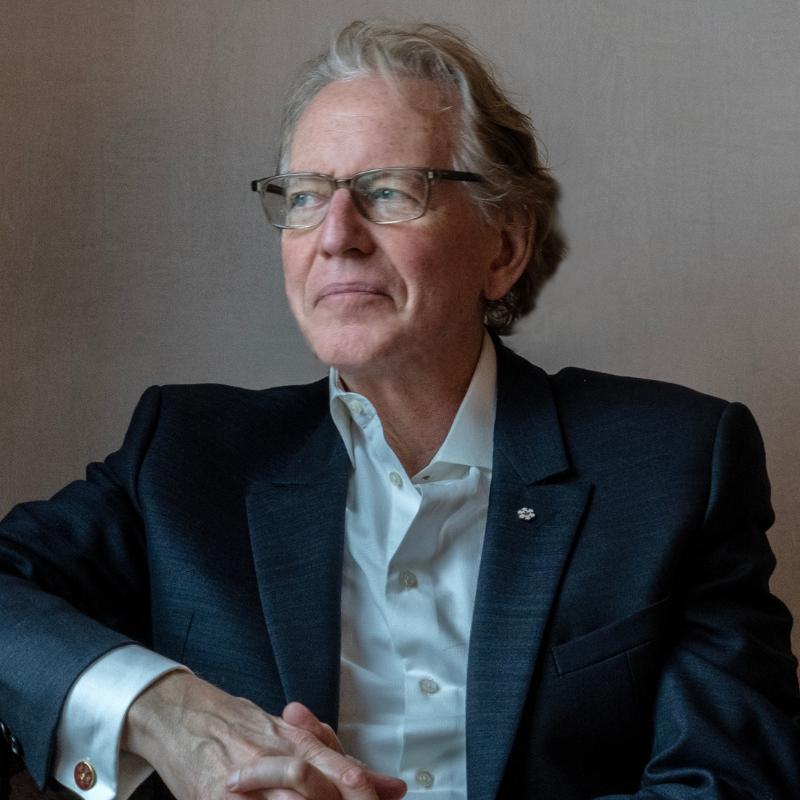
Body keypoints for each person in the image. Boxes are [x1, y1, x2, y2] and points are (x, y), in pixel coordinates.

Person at [1, 19, 799, 800]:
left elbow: (727, 779)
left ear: (505, 246)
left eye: (388, 191)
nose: (335, 236)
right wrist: (168, 710)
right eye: (307, 196)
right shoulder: (187, 458)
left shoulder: (675, 466)